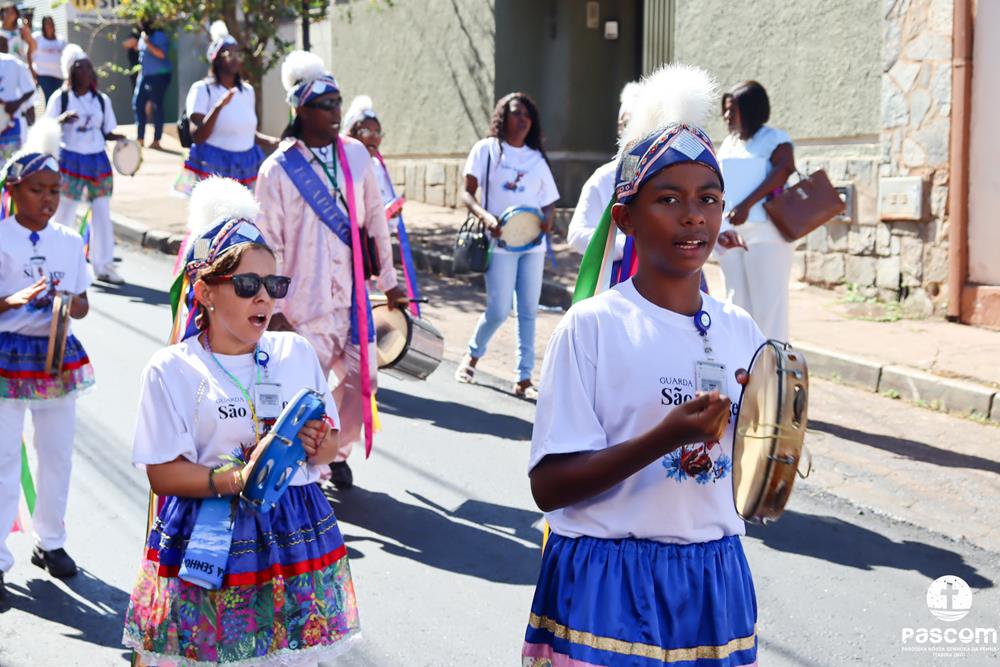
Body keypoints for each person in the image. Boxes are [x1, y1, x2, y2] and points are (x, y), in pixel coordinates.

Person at [522, 64, 763, 667]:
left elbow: (754, 478)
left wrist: (771, 427)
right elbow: (549, 486)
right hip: (607, 580)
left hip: (712, 580)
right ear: (626, 218)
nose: (693, 216)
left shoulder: (742, 331)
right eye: (669, 200)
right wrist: (666, 437)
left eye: (709, 199)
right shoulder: (592, 328)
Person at [122, 177, 360, 665]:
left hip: (295, 531)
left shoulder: (295, 352)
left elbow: (330, 446)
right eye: (248, 285)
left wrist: (315, 441)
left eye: (273, 285)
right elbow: (162, 473)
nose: (264, 299)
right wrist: (237, 479)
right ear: (205, 291)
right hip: (210, 540)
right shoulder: (172, 369)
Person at [255, 51, 407, 490]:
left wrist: (390, 282)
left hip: (353, 299)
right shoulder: (277, 169)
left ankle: (336, 450)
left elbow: (376, 220)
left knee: (363, 380)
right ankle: (312, 470)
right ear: (301, 110)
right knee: (307, 389)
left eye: (338, 102)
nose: (336, 112)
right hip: (303, 304)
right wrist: (274, 307)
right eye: (326, 105)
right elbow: (269, 244)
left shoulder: (357, 156)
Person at [0, 119, 95, 602]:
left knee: (56, 453)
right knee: (2, 458)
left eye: (55, 190)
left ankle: (51, 541)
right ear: (13, 191)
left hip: (56, 356)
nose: (48, 199)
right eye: (37, 190)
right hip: (6, 354)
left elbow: (82, 303)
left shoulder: (69, 240)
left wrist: (66, 304)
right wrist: (12, 300)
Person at [453, 93, 559, 399]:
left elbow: (549, 202)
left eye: (528, 115)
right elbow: (466, 193)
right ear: (503, 116)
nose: (523, 119)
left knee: (528, 311)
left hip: (532, 245)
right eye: (516, 113)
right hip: (499, 244)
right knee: (499, 310)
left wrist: (549, 219)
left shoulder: (536, 158)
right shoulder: (486, 150)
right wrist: (485, 217)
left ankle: (523, 378)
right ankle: (472, 355)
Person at [716, 80, 796, 341]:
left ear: (751, 109)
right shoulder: (729, 143)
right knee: (736, 305)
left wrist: (747, 205)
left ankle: (773, 364)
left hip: (766, 234)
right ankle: (743, 363)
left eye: (733, 109)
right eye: (725, 110)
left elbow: (783, 170)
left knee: (768, 309)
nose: (726, 115)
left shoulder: (775, 139)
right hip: (732, 235)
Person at [46, 45, 126, 285]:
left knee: (102, 213)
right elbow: (47, 129)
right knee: (64, 212)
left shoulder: (101, 100)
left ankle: (104, 266)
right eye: (80, 67)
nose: (86, 71)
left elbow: (107, 130)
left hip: (97, 160)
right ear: (71, 72)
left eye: (89, 67)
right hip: (70, 159)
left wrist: (120, 139)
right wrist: (61, 120)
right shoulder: (61, 98)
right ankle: (56, 262)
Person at [175, 21, 275, 197]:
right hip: (214, 164)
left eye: (238, 54)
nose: (236, 58)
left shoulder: (247, 91)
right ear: (216, 59)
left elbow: (244, 133)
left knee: (251, 212)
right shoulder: (202, 89)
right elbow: (198, 136)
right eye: (230, 54)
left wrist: (274, 142)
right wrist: (218, 106)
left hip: (247, 164)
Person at [342, 94, 422, 313]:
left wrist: (391, 211)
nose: (374, 137)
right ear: (351, 132)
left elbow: (379, 205)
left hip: (371, 247)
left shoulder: (376, 166)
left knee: (364, 302)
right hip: (349, 246)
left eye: (378, 132)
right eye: (367, 131)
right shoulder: (343, 165)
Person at [566, 81, 638, 259]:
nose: (638, 131)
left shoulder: (670, 176)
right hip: (618, 273)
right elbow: (577, 236)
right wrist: (630, 245)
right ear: (620, 127)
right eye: (630, 123)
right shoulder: (606, 177)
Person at [130, 20, 170, 150]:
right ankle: (140, 139)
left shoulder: (159, 36)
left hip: (159, 76)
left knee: (156, 106)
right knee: (138, 104)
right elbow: (143, 57)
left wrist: (147, 42)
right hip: (144, 76)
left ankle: (157, 140)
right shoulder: (142, 36)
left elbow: (161, 54)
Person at [0, 36, 36, 162]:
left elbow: (30, 90)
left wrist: (16, 104)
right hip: (12, 126)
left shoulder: (14, 63)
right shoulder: (15, 63)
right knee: (11, 166)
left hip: (11, 126)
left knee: (11, 165)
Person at [32, 16, 64, 102]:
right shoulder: (37, 37)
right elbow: (30, 55)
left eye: (50, 23)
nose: (49, 26)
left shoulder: (61, 40)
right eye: (46, 24)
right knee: (50, 98)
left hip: (58, 75)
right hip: (43, 74)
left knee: (58, 100)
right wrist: (32, 71)